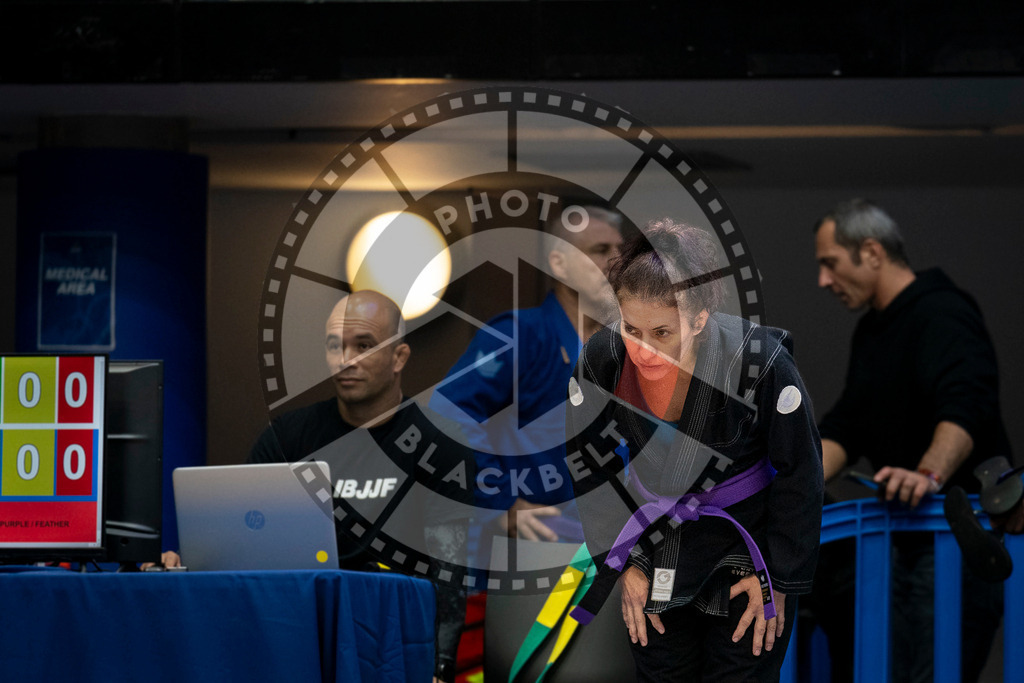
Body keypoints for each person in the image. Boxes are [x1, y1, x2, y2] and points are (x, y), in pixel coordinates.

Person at [566, 219, 823, 682]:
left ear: (700, 318)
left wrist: (778, 580)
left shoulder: (760, 364)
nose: (643, 349)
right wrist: (623, 565)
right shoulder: (602, 360)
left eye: (662, 332)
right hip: (657, 547)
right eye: (631, 328)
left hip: (749, 548)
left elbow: (800, 471)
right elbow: (590, 467)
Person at [812, 198, 1009, 682]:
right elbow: (847, 425)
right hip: (899, 542)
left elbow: (967, 407)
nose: (823, 281)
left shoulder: (943, 312)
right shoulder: (873, 330)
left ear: (873, 253)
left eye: (830, 263)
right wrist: (786, 476)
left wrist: (928, 475)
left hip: (953, 540)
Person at [248, 289, 474, 683]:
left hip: (394, 637)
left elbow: (449, 570)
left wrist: (440, 666)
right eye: (335, 345)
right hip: (301, 631)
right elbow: (244, 539)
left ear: (399, 357)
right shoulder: (287, 439)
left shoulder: (441, 444)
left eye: (364, 345)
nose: (345, 360)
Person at [430, 204, 624, 543]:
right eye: (600, 250)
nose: (617, 260)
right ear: (559, 264)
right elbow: (448, 412)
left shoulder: (623, 347)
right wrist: (501, 503)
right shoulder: (521, 334)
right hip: (532, 544)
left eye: (621, 250)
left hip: (603, 541)